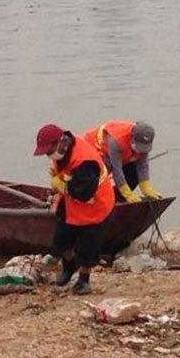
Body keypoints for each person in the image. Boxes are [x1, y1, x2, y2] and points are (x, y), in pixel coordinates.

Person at [34, 124, 115, 295]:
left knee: (88, 247)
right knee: (61, 240)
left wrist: (61, 185)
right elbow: (63, 171)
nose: (49, 155)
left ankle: (84, 280)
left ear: (61, 141)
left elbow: (84, 193)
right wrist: (57, 181)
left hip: (95, 205)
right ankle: (69, 267)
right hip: (71, 203)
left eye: (49, 151)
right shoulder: (61, 151)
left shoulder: (85, 161)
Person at [84, 120, 162, 203]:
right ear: (132, 138)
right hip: (95, 148)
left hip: (120, 153)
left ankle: (116, 197)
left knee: (133, 171)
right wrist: (127, 194)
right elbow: (117, 169)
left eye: (144, 148)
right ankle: (94, 198)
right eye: (139, 147)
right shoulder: (116, 141)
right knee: (106, 166)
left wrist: (147, 189)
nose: (141, 151)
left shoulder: (143, 142)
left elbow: (143, 166)